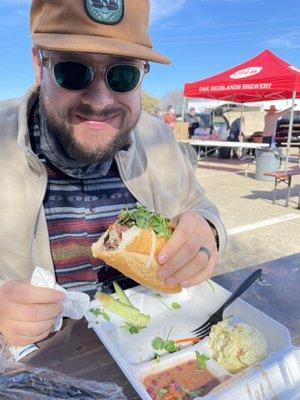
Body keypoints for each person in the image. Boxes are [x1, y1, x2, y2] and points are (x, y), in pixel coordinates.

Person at [0, 0, 226, 347]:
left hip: (152, 350)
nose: (101, 100)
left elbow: (199, 207)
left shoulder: (157, 138)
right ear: (38, 64)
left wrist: (207, 233)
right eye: (73, 71)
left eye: (123, 73)